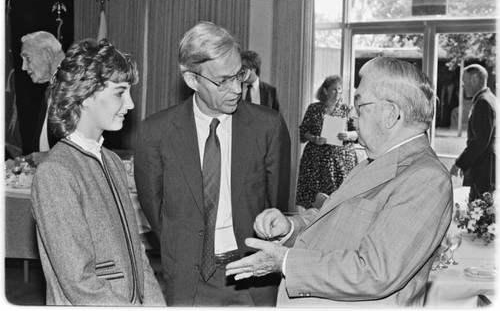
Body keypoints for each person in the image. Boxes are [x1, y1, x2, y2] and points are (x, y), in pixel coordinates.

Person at [226, 56, 453, 307]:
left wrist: (285, 261)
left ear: (391, 114)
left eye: (360, 103)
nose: (353, 113)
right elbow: (332, 217)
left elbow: (375, 272)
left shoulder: (426, 178)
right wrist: (290, 226)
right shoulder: (375, 161)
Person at [134, 21, 291, 306]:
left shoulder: (268, 126)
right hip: (188, 281)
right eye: (223, 80)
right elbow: (155, 211)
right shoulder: (156, 132)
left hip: (252, 275)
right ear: (192, 80)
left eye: (239, 75)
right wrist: (181, 249)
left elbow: (275, 203)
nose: (236, 89)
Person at [31, 39, 166, 306]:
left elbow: (137, 253)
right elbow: (79, 281)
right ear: (86, 96)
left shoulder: (112, 161)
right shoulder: (56, 172)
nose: (129, 104)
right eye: (119, 92)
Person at [295, 75, 358, 209]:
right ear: (325, 91)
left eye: (339, 89)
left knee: (339, 200)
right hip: (315, 162)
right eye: (334, 89)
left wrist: (347, 134)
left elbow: (358, 133)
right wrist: (314, 138)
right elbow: (303, 131)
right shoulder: (314, 108)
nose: (337, 93)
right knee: (314, 202)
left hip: (340, 162)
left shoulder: (348, 109)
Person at [450, 64, 496, 200]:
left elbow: (479, 141)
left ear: (474, 79)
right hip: (488, 169)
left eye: (464, 81)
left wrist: (460, 163)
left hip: (484, 170)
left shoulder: (483, 102)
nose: (463, 86)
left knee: (479, 215)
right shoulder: (490, 99)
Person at [20, 31, 65, 165]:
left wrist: (48, 157)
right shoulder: (52, 87)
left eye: (27, 58)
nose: (23, 67)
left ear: (47, 54)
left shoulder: (76, 86)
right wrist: (23, 162)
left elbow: (87, 147)